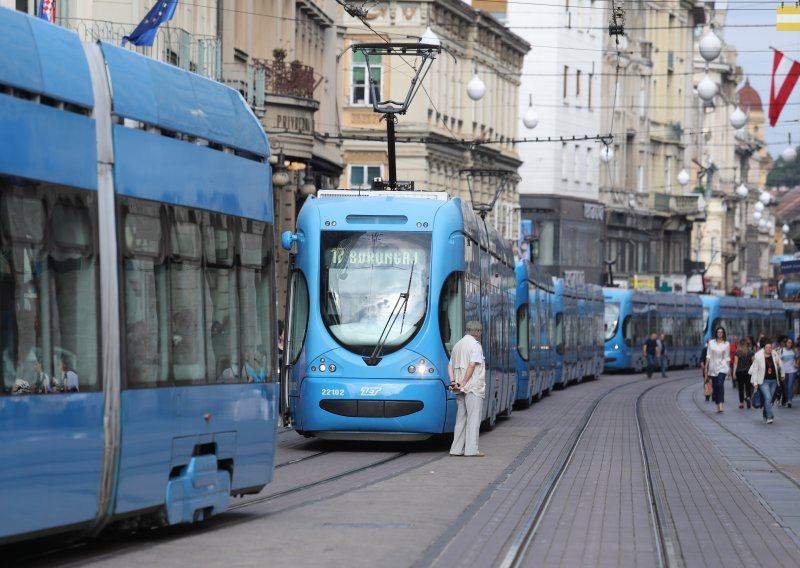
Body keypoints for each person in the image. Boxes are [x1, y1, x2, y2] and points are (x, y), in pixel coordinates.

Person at [449, 321, 486, 458]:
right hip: (472, 387)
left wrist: (454, 382)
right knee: (473, 418)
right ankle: (471, 450)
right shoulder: (475, 345)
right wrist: (464, 382)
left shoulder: (457, 345)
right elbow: (472, 365)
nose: (480, 334)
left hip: (459, 387)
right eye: (480, 332)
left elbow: (450, 366)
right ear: (477, 332)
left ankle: (456, 449)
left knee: (461, 418)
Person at [749, 337, 783, 424]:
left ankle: (765, 414)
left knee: (769, 399)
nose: (769, 349)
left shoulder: (774, 354)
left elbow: (781, 365)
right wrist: (755, 382)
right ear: (764, 348)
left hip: (773, 381)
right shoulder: (758, 356)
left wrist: (781, 370)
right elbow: (755, 370)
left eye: (770, 347)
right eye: (767, 347)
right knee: (767, 397)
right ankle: (769, 416)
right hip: (763, 381)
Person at [704, 326, 730, 413]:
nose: (720, 333)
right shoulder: (711, 343)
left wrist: (729, 369)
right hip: (713, 367)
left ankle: (721, 404)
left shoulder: (726, 344)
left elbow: (727, 357)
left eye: (721, 332)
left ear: (723, 333)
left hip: (723, 367)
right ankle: (717, 404)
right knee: (715, 386)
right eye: (718, 332)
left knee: (720, 384)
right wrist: (706, 367)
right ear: (716, 333)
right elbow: (708, 355)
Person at [733, 337, 754, 409]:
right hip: (748, 371)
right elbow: (753, 362)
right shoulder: (750, 352)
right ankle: (748, 397)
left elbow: (735, 363)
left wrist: (734, 372)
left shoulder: (737, 352)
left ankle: (741, 403)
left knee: (741, 387)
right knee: (748, 386)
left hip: (739, 371)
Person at [778, 337, 797, 408]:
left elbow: (797, 358)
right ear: (786, 343)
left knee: (790, 386)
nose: (790, 344)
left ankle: (789, 401)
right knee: (785, 387)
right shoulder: (781, 351)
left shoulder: (794, 350)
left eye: (791, 343)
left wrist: (797, 364)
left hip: (792, 370)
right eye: (788, 342)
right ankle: (788, 397)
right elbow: (778, 360)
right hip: (784, 371)